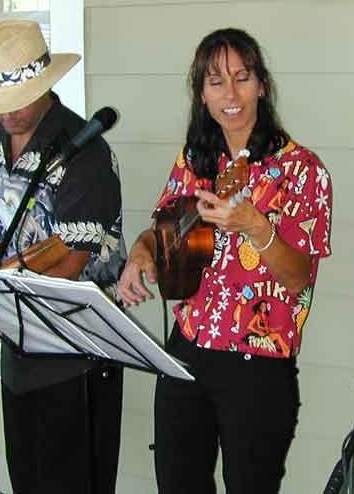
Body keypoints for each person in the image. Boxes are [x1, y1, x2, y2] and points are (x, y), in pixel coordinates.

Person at [117, 27, 332, 494]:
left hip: (258, 362)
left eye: (242, 78)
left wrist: (256, 226)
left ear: (262, 85)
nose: (230, 95)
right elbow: (162, 230)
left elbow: (299, 277)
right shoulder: (195, 160)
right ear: (201, 93)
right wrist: (140, 252)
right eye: (216, 82)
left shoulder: (302, 169)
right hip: (188, 346)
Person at [0, 20, 126, 494]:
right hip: (18, 350)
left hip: (77, 353)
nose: (9, 112)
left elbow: (67, 263)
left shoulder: (84, 151)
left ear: (45, 85)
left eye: (20, 98)